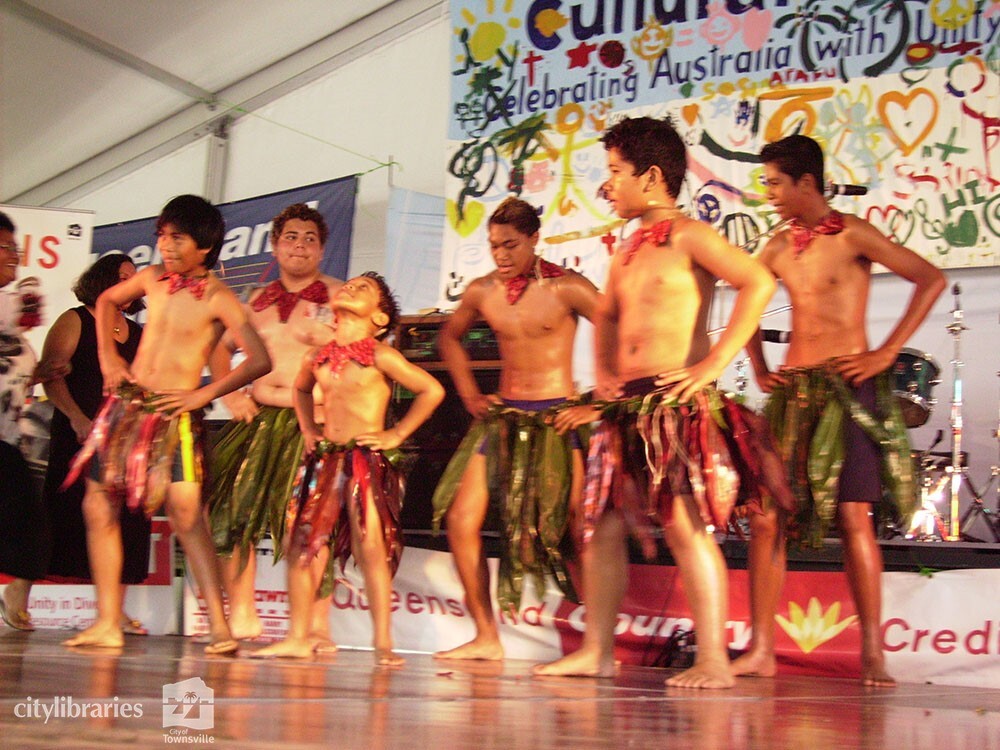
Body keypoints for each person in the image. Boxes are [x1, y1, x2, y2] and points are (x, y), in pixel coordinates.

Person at [534, 116, 789, 689]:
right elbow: (607, 316)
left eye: (615, 173)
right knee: (598, 526)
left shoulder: (688, 235)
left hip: (672, 406)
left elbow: (759, 283)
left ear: (651, 177)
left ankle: (716, 659)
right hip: (625, 406)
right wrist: (600, 376)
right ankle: (596, 649)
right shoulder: (625, 249)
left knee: (682, 525)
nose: (607, 186)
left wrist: (712, 365)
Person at [735, 134, 946, 686]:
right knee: (768, 518)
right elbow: (745, 302)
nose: (770, 195)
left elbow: (931, 278)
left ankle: (873, 651)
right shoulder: (777, 246)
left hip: (849, 391)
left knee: (855, 517)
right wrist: (758, 364)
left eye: (776, 184)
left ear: (807, 182)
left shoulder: (852, 232)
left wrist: (886, 351)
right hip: (794, 394)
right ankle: (760, 648)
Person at [61, 194, 272, 652]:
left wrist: (204, 393)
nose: (166, 245)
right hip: (126, 407)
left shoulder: (219, 296)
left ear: (205, 246)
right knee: (98, 505)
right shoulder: (152, 278)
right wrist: (108, 357)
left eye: (178, 237)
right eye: (161, 235)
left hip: (174, 417)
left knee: (185, 515)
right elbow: (106, 301)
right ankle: (107, 621)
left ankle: (219, 625)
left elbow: (259, 358)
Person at [432, 196, 601, 661]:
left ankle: (598, 644)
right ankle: (487, 636)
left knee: (578, 525)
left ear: (533, 239)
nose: (501, 255)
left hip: (558, 418)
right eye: (493, 246)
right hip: (503, 417)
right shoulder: (482, 290)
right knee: (460, 519)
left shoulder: (567, 287)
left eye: (510, 245)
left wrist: (600, 403)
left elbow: (620, 328)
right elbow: (448, 335)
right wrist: (468, 393)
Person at [252, 272, 443, 663]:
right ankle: (297, 635)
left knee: (371, 546)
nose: (352, 288)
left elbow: (432, 390)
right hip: (325, 457)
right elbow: (301, 389)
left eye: (365, 289)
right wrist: (307, 427)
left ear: (380, 319)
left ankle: (383, 644)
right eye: (351, 284)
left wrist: (396, 433)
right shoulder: (316, 356)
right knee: (302, 544)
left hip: (364, 461)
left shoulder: (381, 354)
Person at [207, 203, 342, 645]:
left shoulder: (343, 297)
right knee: (232, 515)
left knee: (310, 523)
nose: (299, 245)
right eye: (291, 237)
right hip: (259, 418)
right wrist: (231, 394)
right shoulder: (252, 300)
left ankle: (316, 625)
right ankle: (243, 614)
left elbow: (367, 357)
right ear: (275, 245)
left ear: (322, 248)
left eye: (309, 238)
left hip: (314, 421)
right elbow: (219, 350)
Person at [37, 254, 151, 634]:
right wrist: (76, 418)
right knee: (61, 515)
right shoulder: (76, 319)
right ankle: (20, 596)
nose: (129, 285)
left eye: (133, 279)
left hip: (124, 440)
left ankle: (113, 611)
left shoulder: (137, 331)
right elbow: (52, 374)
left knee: (127, 520)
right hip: (78, 431)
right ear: (102, 278)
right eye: (121, 277)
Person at [0, 211, 51, 631]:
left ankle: (17, 589)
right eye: (5, 248)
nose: (13, 257)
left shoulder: (11, 305)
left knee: (30, 522)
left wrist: (45, 373)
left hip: (8, 435)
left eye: (14, 249)